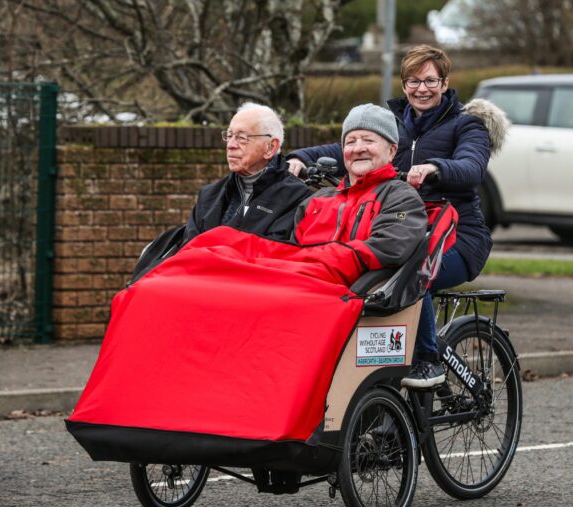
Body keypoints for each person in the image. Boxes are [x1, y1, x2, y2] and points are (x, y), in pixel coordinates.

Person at [288, 45, 507, 389]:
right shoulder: (392, 123)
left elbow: (472, 167)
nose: (421, 88)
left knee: (412, 273)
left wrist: (436, 168)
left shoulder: (467, 126)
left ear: (445, 83)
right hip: (403, 230)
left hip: (458, 237)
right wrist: (300, 157)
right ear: (404, 84)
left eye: (430, 80)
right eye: (413, 81)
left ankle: (428, 360)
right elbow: (345, 146)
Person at [289, 103, 427, 283]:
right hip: (298, 283)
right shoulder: (316, 200)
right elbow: (289, 251)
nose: (358, 148)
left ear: (392, 151)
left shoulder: (401, 198)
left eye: (368, 140)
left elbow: (388, 248)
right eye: (351, 142)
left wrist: (314, 261)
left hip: (345, 297)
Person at [183, 102, 311, 242]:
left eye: (242, 138)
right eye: (229, 135)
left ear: (270, 147)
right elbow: (186, 249)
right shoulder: (208, 195)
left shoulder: (297, 199)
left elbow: (273, 255)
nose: (230, 145)